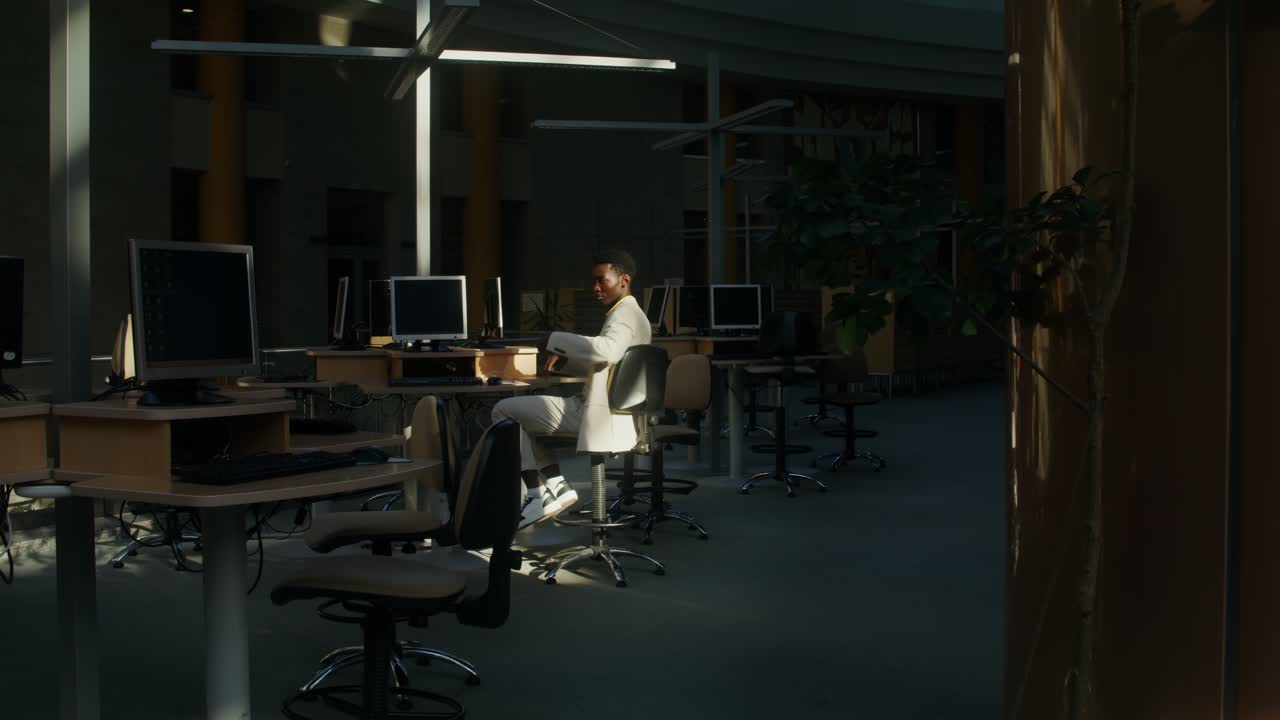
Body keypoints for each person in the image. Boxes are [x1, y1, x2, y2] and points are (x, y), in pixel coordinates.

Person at [491, 249, 652, 528]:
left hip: (600, 416)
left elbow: (608, 351)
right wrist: (567, 359)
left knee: (504, 411)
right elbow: (610, 364)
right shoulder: (629, 313)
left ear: (624, 280)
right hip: (611, 412)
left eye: (602, 280)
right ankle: (558, 488)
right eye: (595, 281)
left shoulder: (624, 315)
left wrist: (554, 338)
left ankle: (537, 494)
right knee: (525, 420)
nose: (596, 288)